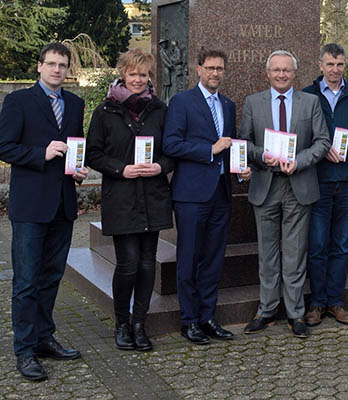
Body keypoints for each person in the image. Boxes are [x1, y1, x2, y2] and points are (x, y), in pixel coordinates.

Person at [0, 42, 88, 381]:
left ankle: (43, 338)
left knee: (51, 277)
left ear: (68, 70)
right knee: (25, 281)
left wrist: (77, 169)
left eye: (62, 65)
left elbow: (75, 146)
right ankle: (24, 350)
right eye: (50, 64)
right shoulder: (18, 101)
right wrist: (42, 152)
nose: (56, 70)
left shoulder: (76, 103)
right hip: (30, 206)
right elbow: (4, 146)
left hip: (63, 204)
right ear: (39, 66)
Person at [86, 49, 175, 352]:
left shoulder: (160, 110)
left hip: (153, 195)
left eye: (144, 74)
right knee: (128, 264)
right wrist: (120, 168)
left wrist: (161, 166)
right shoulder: (106, 111)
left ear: (150, 77)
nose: (138, 80)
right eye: (133, 74)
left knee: (148, 264)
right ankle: (121, 323)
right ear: (123, 74)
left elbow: (171, 151)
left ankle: (140, 322)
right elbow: (93, 153)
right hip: (121, 196)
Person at [163, 49, 251, 345]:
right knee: (189, 258)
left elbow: (232, 145)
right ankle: (189, 321)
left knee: (213, 259)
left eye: (220, 69)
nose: (215, 73)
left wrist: (240, 171)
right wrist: (208, 150)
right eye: (210, 68)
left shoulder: (227, 104)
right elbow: (171, 145)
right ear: (198, 69)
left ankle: (207, 317)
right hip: (191, 195)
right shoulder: (181, 102)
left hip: (221, 193)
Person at [240, 50, 330, 338]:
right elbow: (244, 142)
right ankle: (266, 309)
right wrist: (260, 155)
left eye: (286, 70)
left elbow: (322, 141)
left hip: (298, 185)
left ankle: (295, 313)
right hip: (265, 185)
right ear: (267, 73)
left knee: (294, 253)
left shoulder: (311, 102)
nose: (281, 74)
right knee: (267, 253)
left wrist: (299, 161)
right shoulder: (253, 103)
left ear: (295, 73)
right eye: (276, 70)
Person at [302, 43, 348, 326]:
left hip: (347, 180)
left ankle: (335, 301)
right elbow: (301, 134)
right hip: (318, 179)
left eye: (340, 65)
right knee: (318, 244)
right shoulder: (307, 96)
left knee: (340, 245)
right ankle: (317, 302)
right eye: (330, 64)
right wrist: (319, 149)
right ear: (320, 65)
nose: (335, 70)